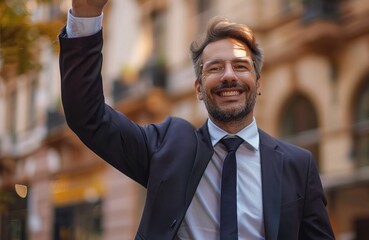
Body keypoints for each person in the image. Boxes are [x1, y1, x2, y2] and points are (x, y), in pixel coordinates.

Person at [59, 0, 335, 239]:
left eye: (241, 66)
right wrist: (85, 14)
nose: (229, 75)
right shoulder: (166, 146)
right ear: (199, 88)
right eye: (215, 68)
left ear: (258, 82)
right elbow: (87, 116)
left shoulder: (298, 165)